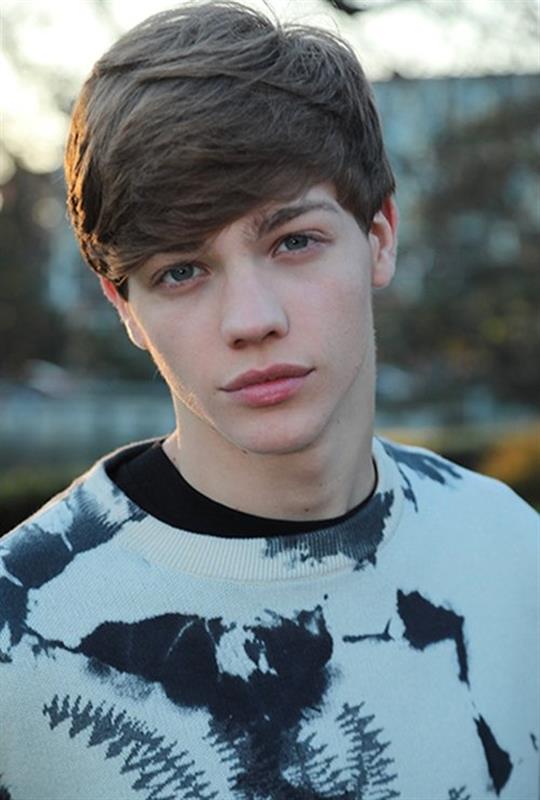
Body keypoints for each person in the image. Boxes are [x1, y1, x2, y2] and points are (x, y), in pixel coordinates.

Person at [0, 2, 537, 798]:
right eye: (181, 271)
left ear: (380, 236)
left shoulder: (513, 550)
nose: (251, 320)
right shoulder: (18, 635)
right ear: (124, 307)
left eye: (293, 241)